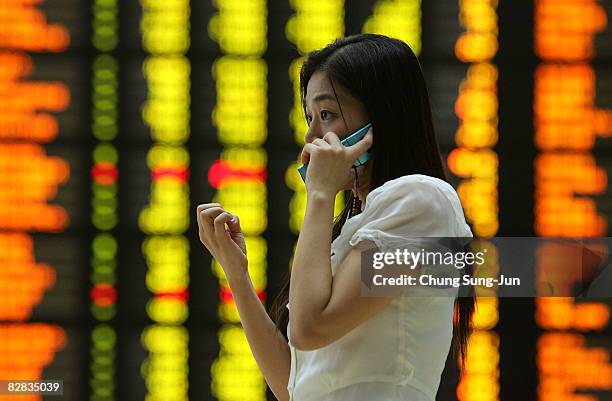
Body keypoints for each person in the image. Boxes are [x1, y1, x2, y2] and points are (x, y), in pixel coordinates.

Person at [197, 33, 475, 401]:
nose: (312, 137)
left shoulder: (422, 200)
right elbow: (291, 388)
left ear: (381, 117)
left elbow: (310, 328)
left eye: (326, 115)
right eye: (310, 117)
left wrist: (320, 194)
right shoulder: (354, 225)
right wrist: (237, 275)